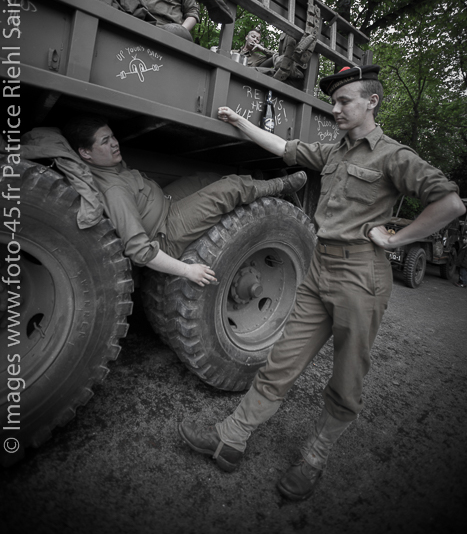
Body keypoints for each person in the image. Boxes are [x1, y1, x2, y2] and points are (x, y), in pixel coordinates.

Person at [178, 64, 466, 499]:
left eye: (344, 101)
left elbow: (450, 204)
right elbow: (285, 147)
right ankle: (230, 439)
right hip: (319, 269)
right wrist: (240, 122)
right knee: (281, 362)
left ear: (372, 102)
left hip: (361, 278)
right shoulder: (334, 152)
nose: (335, 109)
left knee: (346, 379)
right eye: (333, 102)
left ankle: (314, 457)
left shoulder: (394, 155)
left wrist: (397, 239)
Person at [62, 116, 307, 285]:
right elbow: (139, 251)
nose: (115, 143)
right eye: (105, 142)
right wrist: (188, 270)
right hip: (166, 232)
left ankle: (256, 185)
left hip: (166, 202)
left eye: (112, 136)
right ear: (86, 153)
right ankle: (278, 187)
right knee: (227, 189)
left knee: (205, 179)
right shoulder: (114, 191)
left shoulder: (107, 165)